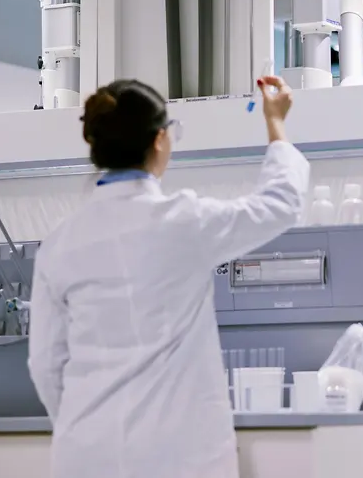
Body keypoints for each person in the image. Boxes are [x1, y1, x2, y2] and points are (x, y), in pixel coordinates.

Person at [27, 76, 309, 478]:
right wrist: (276, 123)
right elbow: (279, 205)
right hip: (176, 456)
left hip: (86, 455)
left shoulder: (59, 245)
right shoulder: (184, 223)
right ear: (160, 140)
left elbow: (45, 363)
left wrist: (86, 426)